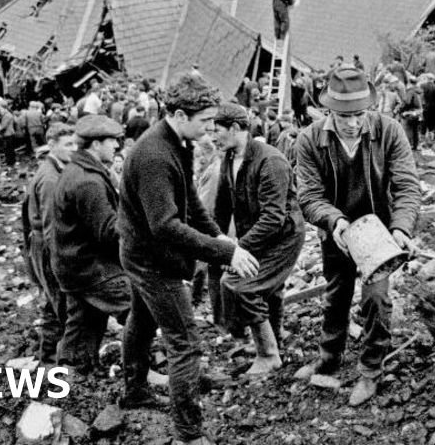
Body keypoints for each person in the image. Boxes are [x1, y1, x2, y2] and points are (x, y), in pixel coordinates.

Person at [118, 73, 259, 445]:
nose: (212, 129)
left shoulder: (177, 141)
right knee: (185, 343)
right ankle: (188, 435)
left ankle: (134, 391)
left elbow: (191, 202)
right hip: (152, 259)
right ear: (180, 114)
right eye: (206, 121)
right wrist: (225, 251)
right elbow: (165, 225)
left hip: (142, 252)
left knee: (143, 320)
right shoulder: (153, 156)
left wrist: (217, 236)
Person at [293, 67, 421, 407]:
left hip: (378, 237)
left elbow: (407, 186)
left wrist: (401, 228)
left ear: (370, 108)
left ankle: (369, 371)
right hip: (337, 233)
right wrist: (333, 221)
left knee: (376, 301)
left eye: (359, 115)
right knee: (336, 296)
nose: (352, 123)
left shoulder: (389, 131)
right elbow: (308, 195)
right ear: (327, 110)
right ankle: (329, 358)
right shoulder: (309, 140)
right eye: (343, 115)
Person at [212, 103, 303, 376]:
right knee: (268, 289)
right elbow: (222, 206)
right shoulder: (229, 158)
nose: (214, 137)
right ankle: (270, 337)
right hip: (258, 236)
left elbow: (274, 217)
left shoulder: (269, 161)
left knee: (242, 285)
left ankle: (268, 355)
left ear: (236, 128)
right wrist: (218, 244)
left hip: (283, 237)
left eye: (218, 131)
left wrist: (239, 250)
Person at [52, 115, 130, 375]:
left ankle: (73, 372)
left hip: (73, 264)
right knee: (139, 308)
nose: (116, 147)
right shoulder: (88, 181)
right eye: (112, 142)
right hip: (90, 268)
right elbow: (109, 232)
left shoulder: (78, 171)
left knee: (84, 320)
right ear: (95, 145)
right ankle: (141, 369)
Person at [26, 124, 76, 364]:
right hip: (48, 247)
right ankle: (60, 360)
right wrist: (61, 260)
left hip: (42, 245)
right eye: (68, 144)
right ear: (52, 145)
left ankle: (47, 355)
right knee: (61, 301)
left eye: (75, 144)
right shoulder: (49, 178)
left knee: (52, 300)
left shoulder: (53, 170)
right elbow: (51, 227)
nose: (73, 149)